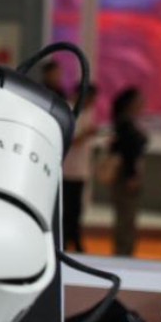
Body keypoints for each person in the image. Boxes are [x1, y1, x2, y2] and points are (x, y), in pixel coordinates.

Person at [110, 87, 148, 256]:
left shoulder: (127, 122)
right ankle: (123, 252)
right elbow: (128, 152)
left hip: (128, 174)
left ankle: (124, 251)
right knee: (126, 217)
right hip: (126, 175)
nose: (142, 104)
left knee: (127, 217)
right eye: (139, 101)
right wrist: (131, 176)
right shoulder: (125, 124)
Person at [62, 84, 99, 252]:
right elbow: (70, 140)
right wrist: (86, 134)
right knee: (67, 209)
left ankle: (73, 239)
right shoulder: (68, 111)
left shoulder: (86, 113)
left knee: (76, 210)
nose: (92, 103)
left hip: (79, 170)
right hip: (67, 170)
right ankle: (65, 241)